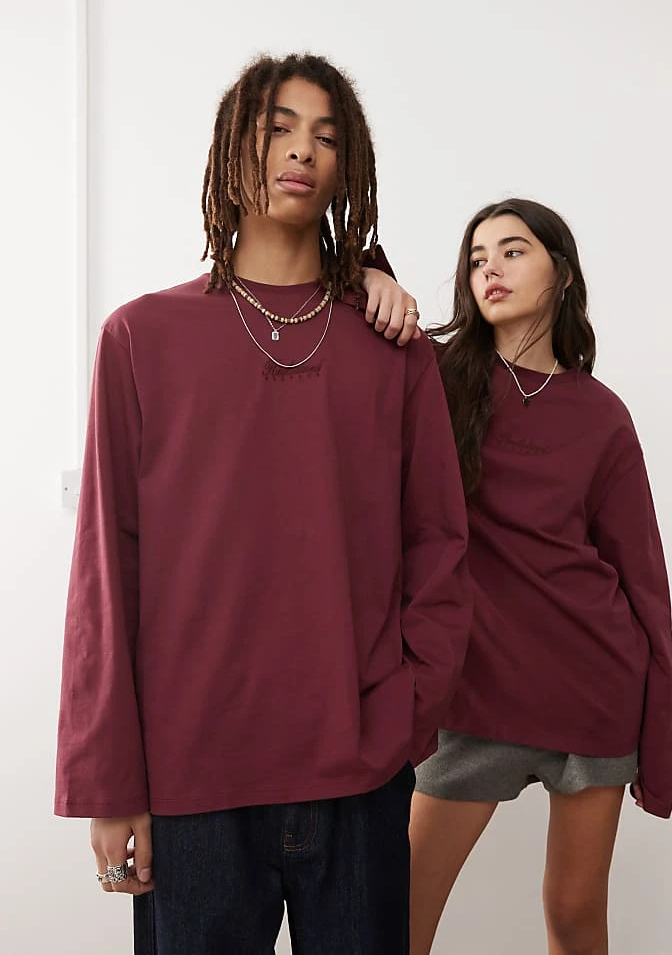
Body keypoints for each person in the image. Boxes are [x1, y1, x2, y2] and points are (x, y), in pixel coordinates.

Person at [54, 52, 472, 955]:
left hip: (359, 775)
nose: (302, 151)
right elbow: (105, 572)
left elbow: (439, 541)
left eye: (326, 136)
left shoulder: (392, 347)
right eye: (278, 128)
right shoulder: (141, 338)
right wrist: (107, 781)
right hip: (192, 782)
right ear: (231, 149)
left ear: (348, 167)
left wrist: (406, 711)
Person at [368, 198, 672, 955]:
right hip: (474, 690)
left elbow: (642, 576)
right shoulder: (434, 374)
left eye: (512, 251)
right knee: (394, 919)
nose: (490, 270)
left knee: (574, 916)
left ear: (561, 274)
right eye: (477, 258)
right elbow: (349, 322)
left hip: (592, 685)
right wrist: (373, 278)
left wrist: (660, 743)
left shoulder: (602, 415)